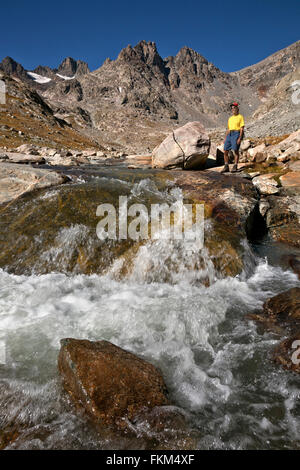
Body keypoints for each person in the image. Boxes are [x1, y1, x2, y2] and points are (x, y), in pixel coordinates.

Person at [221, 102, 245, 173]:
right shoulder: (230, 118)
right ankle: (226, 166)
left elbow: (242, 128)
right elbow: (228, 129)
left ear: (237, 108)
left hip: (236, 133)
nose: (233, 109)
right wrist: (225, 138)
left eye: (234, 108)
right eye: (232, 108)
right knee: (225, 150)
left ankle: (235, 166)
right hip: (230, 134)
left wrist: (240, 138)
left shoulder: (240, 117)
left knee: (236, 150)